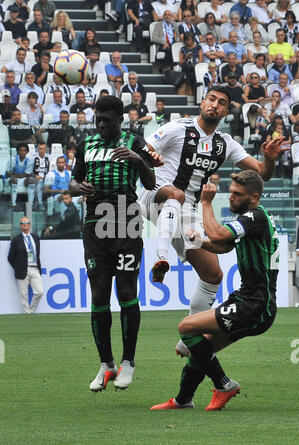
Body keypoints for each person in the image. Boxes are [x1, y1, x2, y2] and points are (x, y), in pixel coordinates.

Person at [138, 86, 285, 328]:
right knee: (176, 194)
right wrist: (149, 159)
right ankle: (161, 257)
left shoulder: (225, 143)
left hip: (186, 210)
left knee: (213, 274)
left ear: (226, 111)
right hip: (155, 194)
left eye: (221, 102)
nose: (214, 105)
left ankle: (191, 334)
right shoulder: (178, 128)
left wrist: (269, 158)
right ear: (202, 102)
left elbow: (262, 174)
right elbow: (143, 151)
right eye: (211, 99)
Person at [150, 169, 280, 411]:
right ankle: (182, 400)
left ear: (254, 197)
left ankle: (224, 384)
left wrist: (206, 203)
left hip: (254, 305)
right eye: (230, 192)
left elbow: (218, 233)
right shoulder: (255, 218)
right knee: (203, 348)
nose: (231, 197)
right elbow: (224, 245)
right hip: (252, 302)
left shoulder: (255, 217)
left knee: (186, 329)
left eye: (237, 194)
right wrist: (200, 242)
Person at [69, 95, 158, 392]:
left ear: (120, 120)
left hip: (127, 220)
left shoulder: (135, 142)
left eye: (107, 121)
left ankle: (128, 363)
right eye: (98, 120)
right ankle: (106, 364)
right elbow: (73, 181)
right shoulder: (86, 145)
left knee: (127, 291)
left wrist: (137, 160)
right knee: (98, 295)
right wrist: (77, 187)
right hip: (95, 223)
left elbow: (149, 182)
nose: (101, 125)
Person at [8, 216, 43, 314]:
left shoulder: (35, 238)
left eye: (26, 222)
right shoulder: (16, 240)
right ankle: (26, 314)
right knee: (23, 294)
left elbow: (37, 253)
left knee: (39, 292)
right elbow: (11, 257)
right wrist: (18, 267)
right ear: (20, 225)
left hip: (35, 268)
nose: (24, 224)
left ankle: (31, 312)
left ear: (30, 224)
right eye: (22, 223)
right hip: (22, 269)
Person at [4, 143, 36, 208]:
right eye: (20, 150)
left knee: (32, 181)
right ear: (18, 151)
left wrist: (17, 175)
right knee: (14, 180)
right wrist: (18, 175)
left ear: (27, 152)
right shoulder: (12, 159)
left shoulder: (30, 160)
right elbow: (8, 173)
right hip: (12, 179)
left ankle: (30, 203)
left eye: (24, 150)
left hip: (22, 178)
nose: (22, 152)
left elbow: (27, 173)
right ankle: (13, 203)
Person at [179, 31, 203, 96]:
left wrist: (196, 63)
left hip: (196, 65)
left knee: (193, 68)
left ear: (192, 39)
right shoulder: (183, 49)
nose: (188, 42)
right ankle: (190, 88)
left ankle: (192, 88)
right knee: (189, 67)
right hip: (185, 66)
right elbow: (180, 63)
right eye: (186, 40)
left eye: (189, 40)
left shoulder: (198, 48)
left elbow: (201, 60)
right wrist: (186, 58)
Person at [32, 142, 50, 211]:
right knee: (39, 182)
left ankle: (51, 205)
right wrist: (34, 176)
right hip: (37, 178)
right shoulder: (33, 157)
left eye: (43, 149)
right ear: (37, 149)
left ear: (46, 149)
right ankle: (40, 204)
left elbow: (51, 169)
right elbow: (30, 171)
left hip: (48, 178)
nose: (41, 150)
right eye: (40, 149)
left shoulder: (49, 157)